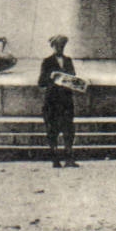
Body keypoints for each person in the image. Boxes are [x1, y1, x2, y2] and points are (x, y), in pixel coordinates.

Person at [38, 34, 79, 168]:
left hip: (66, 100)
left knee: (68, 129)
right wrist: (51, 77)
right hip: (52, 101)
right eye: (57, 46)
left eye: (62, 46)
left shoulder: (68, 61)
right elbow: (41, 82)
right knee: (52, 130)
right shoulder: (47, 61)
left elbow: (73, 78)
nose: (60, 48)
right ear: (53, 46)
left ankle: (69, 158)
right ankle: (55, 158)